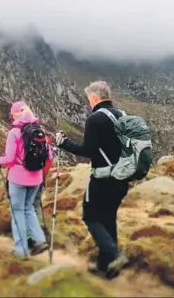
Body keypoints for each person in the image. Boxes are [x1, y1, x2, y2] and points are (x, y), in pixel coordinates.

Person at [55, 81, 130, 279]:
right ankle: (106, 268)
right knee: (108, 217)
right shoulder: (122, 115)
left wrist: (65, 144)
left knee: (91, 216)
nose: (89, 103)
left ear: (95, 98)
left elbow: (88, 150)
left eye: (89, 100)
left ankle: (114, 254)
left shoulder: (95, 118)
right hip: (122, 177)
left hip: (103, 178)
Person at [0, 101, 53, 259]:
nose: (12, 116)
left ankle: (22, 251)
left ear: (17, 114)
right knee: (29, 209)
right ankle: (40, 240)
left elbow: (9, 159)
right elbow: (49, 155)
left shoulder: (14, 132)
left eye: (13, 114)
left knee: (18, 211)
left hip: (18, 179)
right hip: (36, 178)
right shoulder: (40, 130)